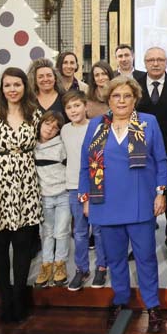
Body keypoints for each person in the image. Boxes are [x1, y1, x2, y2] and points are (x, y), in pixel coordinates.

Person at [79, 76, 167, 334]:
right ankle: (120, 300)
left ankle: (152, 306)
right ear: (108, 99)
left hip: (140, 203)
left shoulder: (148, 122)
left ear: (135, 99)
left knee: (146, 258)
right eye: (116, 96)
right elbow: (85, 165)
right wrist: (85, 198)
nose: (121, 101)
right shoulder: (96, 124)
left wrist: (160, 193)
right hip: (105, 202)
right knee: (115, 258)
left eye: (127, 96)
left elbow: (161, 161)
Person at [0, 67, 42, 323]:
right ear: (1, 89)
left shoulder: (35, 115)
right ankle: (5, 298)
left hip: (26, 186)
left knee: (23, 247)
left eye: (17, 84)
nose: (12, 89)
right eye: (7, 85)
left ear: (25, 87)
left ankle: (20, 297)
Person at [135, 46, 167, 261]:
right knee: (143, 199)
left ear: (166, 62)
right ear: (144, 62)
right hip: (140, 152)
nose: (155, 63)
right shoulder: (134, 85)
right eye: (151, 60)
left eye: (160, 59)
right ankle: (139, 245)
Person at [61, 90, 107, 290]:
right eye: (69, 107)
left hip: (96, 185)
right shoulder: (64, 130)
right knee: (79, 232)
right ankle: (81, 269)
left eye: (77, 105)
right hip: (73, 186)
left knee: (98, 230)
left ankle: (102, 267)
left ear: (86, 106)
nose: (73, 110)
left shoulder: (96, 127)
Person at [33, 111, 70, 289]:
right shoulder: (32, 146)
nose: (50, 129)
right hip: (44, 196)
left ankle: (60, 264)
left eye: (55, 127)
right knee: (46, 232)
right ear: (40, 124)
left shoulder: (61, 146)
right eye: (47, 124)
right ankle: (46, 265)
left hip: (63, 195)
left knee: (61, 231)